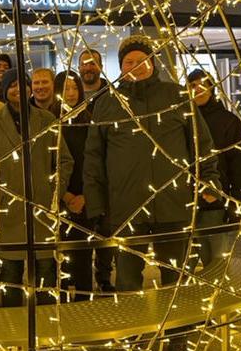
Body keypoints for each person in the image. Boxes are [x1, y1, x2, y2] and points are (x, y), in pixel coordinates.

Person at [83, 35, 220, 295]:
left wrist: (210, 181)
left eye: (141, 60)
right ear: (121, 67)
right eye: (129, 61)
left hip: (173, 205)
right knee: (127, 280)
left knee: (176, 277)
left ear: (153, 63)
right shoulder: (107, 103)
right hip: (127, 209)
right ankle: (133, 334)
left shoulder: (177, 96)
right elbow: (94, 157)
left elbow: (201, 144)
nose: (135, 65)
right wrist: (97, 204)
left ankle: (178, 331)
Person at [0, 68, 74, 307]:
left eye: (23, 84)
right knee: (9, 280)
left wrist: (54, 193)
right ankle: (13, 333)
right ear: (5, 89)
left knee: (46, 279)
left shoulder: (47, 120)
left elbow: (64, 161)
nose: (18, 89)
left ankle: (46, 332)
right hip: (7, 213)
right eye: (12, 85)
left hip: (43, 212)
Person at [52, 71, 114, 296]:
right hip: (59, 198)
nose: (69, 93)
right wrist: (64, 195)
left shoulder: (90, 120)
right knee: (60, 259)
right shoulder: (49, 122)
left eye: (73, 88)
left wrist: (86, 196)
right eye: (65, 88)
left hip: (86, 197)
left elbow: (98, 161)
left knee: (83, 257)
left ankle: (83, 304)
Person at [187, 68, 241, 267]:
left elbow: (239, 164)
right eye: (192, 86)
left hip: (214, 200)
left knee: (215, 260)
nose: (197, 90)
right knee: (183, 263)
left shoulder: (228, 121)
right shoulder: (182, 119)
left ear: (211, 89)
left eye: (202, 86)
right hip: (184, 204)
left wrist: (237, 199)